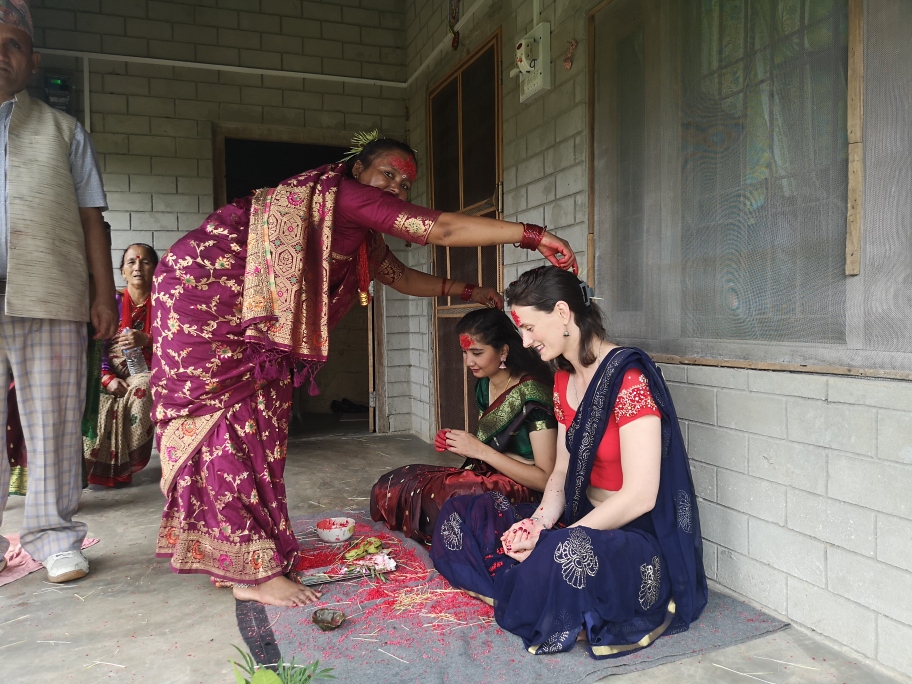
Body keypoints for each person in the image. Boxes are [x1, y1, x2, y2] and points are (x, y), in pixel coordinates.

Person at [152, 133, 577, 607]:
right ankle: (251, 575)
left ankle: (244, 554)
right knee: (228, 425)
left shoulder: (360, 234)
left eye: (405, 183)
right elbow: (440, 231)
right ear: (357, 170)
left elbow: (400, 276)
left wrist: (467, 291)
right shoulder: (345, 196)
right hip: (205, 301)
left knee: (257, 428)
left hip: (249, 328)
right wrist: (533, 235)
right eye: (387, 174)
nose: (396, 187)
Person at [430, 266, 707, 658]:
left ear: (562, 313)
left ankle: (540, 585)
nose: (525, 341)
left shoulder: (628, 379)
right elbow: (561, 470)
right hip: (581, 515)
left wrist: (554, 539)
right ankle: (539, 584)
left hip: (632, 534)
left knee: (566, 555)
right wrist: (538, 523)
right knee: (464, 512)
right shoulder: (563, 379)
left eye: (529, 328)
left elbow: (642, 496)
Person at [0, 1, 118, 582]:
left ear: (32, 58)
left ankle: (53, 537)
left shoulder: (62, 130)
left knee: (52, 420)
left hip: (49, 289)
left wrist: (104, 294)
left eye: (12, 44)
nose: (1, 55)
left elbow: (92, 218)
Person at [370, 308, 557, 544]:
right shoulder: (484, 386)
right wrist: (459, 443)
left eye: (477, 353)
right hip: (491, 474)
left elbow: (545, 480)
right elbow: (491, 445)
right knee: (396, 483)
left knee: (451, 498)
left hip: (526, 491)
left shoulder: (533, 396)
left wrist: (478, 449)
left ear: (503, 351)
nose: (469, 362)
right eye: (465, 352)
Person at [83, 244, 158, 487]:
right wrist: (106, 378)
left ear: (156, 270)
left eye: (145, 262)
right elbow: (97, 345)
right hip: (108, 371)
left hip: (147, 372)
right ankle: (94, 468)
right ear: (123, 272)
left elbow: (177, 341)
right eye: (131, 263)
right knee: (97, 397)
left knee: (144, 387)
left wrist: (147, 339)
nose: (138, 268)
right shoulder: (112, 302)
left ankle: (128, 463)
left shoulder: (165, 304)